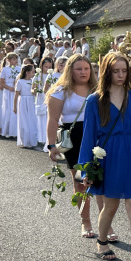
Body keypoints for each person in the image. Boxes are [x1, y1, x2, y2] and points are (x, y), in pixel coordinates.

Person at [78, 52, 131, 261]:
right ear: (107, 72)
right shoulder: (95, 100)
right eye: (116, 71)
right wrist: (85, 168)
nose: (121, 75)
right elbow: (88, 136)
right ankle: (102, 240)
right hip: (109, 156)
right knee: (110, 206)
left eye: (124, 71)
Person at [47, 55, 104, 239]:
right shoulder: (61, 91)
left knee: (101, 181)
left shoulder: (98, 90)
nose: (84, 72)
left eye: (86, 69)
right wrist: (51, 146)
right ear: (70, 70)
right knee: (80, 182)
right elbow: (53, 120)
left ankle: (106, 225)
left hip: (97, 138)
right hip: (75, 138)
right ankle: (85, 222)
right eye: (79, 69)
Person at [15, 64, 39, 149]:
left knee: (32, 120)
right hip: (23, 101)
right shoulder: (20, 81)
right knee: (24, 121)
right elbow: (16, 94)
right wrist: (14, 107)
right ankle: (25, 141)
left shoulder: (33, 81)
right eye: (33, 71)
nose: (34, 73)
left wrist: (36, 90)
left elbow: (34, 92)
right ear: (27, 72)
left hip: (31, 101)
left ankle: (32, 140)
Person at [0, 53, 20, 138]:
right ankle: (6, 130)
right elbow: (1, 82)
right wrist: (9, 88)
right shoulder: (5, 69)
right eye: (13, 59)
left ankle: (15, 131)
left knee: (16, 109)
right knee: (8, 109)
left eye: (16, 59)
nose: (15, 61)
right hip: (8, 91)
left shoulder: (19, 69)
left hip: (16, 91)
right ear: (9, 60)